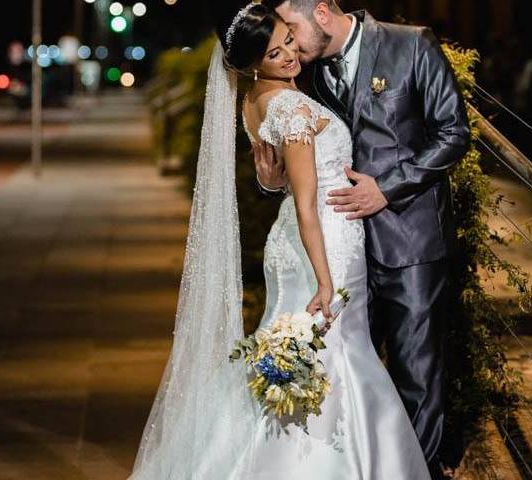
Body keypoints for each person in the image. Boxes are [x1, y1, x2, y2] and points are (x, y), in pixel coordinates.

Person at [128, 3, 433, 478]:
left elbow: (277, 182)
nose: (291, 54)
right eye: (275, 52)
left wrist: (275, 185)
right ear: (252, 62)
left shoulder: (254, 99)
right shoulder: (290, 106)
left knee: (303, 356)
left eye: (288, 39)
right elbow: (308, 202)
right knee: (335, 353)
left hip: (294, 240)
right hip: (324, 242)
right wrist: (326, 280)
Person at [254, 2, 470, 477]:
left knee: (416, 377)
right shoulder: (305, 73)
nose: (288, 44)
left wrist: (387, 188)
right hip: (339, 249)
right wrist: (273, 180)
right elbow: (303, 158)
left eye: (292, 31)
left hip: (408, 243)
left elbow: (454, 133)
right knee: (349, 381)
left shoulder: (411, 44)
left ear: (323, 14)